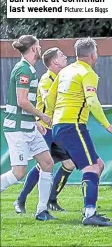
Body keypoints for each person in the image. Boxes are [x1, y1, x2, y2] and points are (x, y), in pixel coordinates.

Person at [45, 37, 112, 226]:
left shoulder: (65, 71)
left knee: (97, 165)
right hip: (73, 126)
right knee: (92, 168)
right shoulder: (88, 73)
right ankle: (89, 213)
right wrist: (107, 124)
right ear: (93, 55)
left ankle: (80, 205)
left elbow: (49, 98)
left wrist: (56, 116)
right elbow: (92, 101)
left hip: (59, 126)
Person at [14, 47, 76, 214]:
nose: (66, 57)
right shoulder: (46, 80)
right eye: (62, 55)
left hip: (58, 129)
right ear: (55, 62)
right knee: (43, 166)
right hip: (45, 130)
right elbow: (49, 102)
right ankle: (21, 199)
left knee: (69, 163)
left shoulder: (64, 77)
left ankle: (51, 200)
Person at [0, 35, 55, 221]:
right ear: (33, 48)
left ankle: (41, 211)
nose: (40, 48)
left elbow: (25, 103)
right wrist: (42, 116)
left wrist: (35, 122)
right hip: (17, 129)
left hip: (28, 127)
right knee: (19, 172)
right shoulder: (23, 69)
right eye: (38, 45)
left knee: (47, 163)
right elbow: (22, 101)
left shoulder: (29, 69)